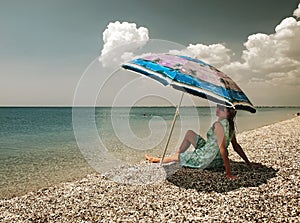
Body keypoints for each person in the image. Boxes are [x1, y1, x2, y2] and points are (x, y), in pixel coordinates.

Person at [145, 104, 263, 180]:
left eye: (220, 108)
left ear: (227, 112)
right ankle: (179, 155)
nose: (217, 109)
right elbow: (236, 146)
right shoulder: (230, 125)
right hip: (211, 152)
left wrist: (228, 173)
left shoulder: (219, 125)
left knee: (177, 156)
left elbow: (223, 150)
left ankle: (157, 159)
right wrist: (248, 163)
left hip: (207, 159)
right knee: (190, 133)